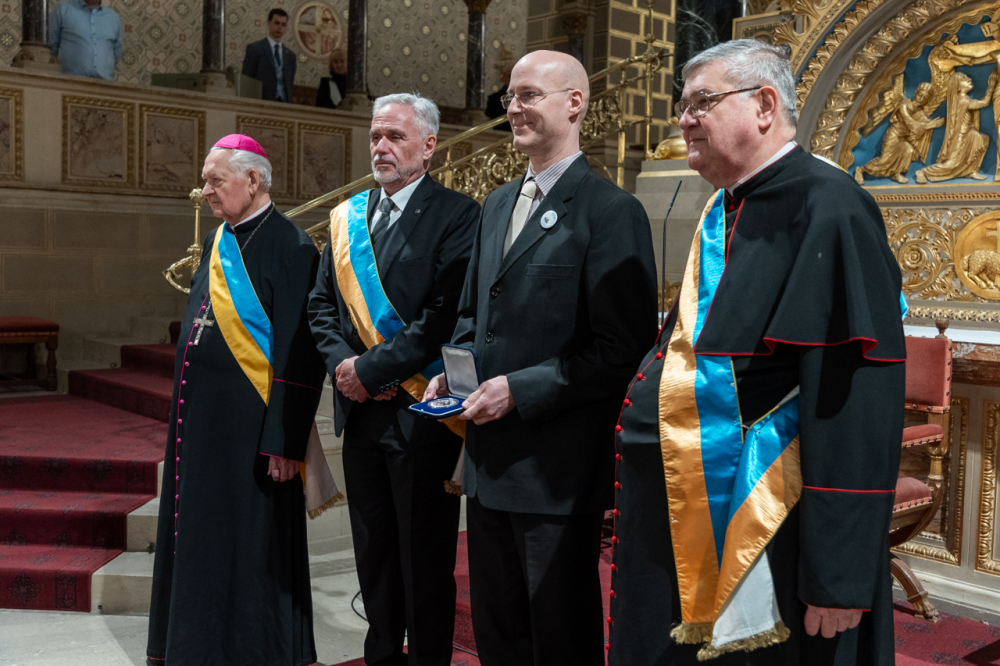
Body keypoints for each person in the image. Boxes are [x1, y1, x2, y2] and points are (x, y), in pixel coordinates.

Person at [607, 39, 906, 666]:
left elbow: (853, 402)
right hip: (686, 515)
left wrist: (838, 575)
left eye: (701, 103)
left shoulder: (831, 207)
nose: (684, 120)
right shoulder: (727, 206)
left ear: (765, 105)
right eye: (683, 106)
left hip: (773, 532)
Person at [423, 51, 658, 665]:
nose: (513, 107)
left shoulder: (612, 211)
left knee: (557, 638)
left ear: (574, 103)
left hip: (555, 471)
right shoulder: (497, 204)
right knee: (498, 634)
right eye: (510, 96)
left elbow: (621, 351)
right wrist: (453, 370)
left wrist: (518, 389)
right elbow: (473, 315)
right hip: (488, 463)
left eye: (528, 94)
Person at [308, 93, 480, 666]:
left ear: (428, 146)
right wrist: (345, 369)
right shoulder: (346, 218)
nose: (381, 147)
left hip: (420, 416)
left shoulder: (459, 215)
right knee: (373, 554)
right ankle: (382, 655)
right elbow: (321, 307)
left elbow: (443, 315)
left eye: (396, 137)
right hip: (361, 414)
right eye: (376, 136)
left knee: (423, 558)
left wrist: (371, 370)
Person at [146, 134, 325, 666]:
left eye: (214, 180)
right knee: (201, 537)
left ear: (252, 179)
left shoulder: (293, 247)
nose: (204, 191)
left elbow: (299, 353)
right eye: (205, 180)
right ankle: (197, 647)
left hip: (253, 432)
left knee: (249, 542)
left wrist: (284, 441)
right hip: (200, 425)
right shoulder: (216, 241)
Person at [48, 0, 123, 81]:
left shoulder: (113, 17)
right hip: (70, 82)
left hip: (104, 84)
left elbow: (116, 53)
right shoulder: (63, 9)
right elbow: (51, 44)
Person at [242, 9, 297, 103]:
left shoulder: (291, 56)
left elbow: (289, 84)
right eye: (277, 23)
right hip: (261, 103)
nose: (280, 27)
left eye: (283, 24)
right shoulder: (255, 49)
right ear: (268, 22)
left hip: (284, 104)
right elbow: (247, 80)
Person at [484, 63, 514, 132]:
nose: (512, 79)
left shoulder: (528, 97)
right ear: (503, 79)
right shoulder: (494, 99)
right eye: (509, 76)